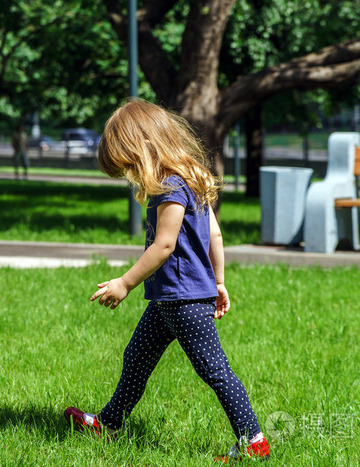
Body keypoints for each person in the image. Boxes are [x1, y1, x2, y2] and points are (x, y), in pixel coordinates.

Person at [64, 100, 269, 462]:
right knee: (137, 355)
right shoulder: (193, 176)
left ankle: (252, 440)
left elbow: (164, 245)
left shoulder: (170, 186)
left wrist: (124, 283)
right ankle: (110, 423)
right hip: (172, 298)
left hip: (182, 300)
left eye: (127, 164)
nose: (129, 175)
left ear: (140, 148)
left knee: (214, 370)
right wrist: (218, 282)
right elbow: (215, 236)